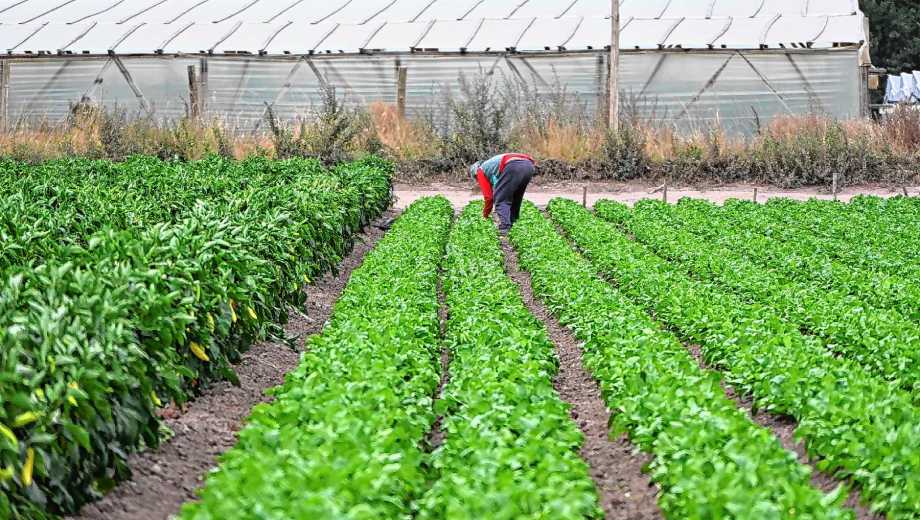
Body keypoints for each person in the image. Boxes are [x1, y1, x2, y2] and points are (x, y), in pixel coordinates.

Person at [469, 153, 536, 233]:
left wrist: (485, 216)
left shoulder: (480, 171)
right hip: (529, 166)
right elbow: (500, 185)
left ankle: (505, 226)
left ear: (475, 174)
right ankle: (513, 222)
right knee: (516, 197)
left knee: (501, 198)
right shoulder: (491, 166)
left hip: (513, 165)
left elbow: (489, 197)